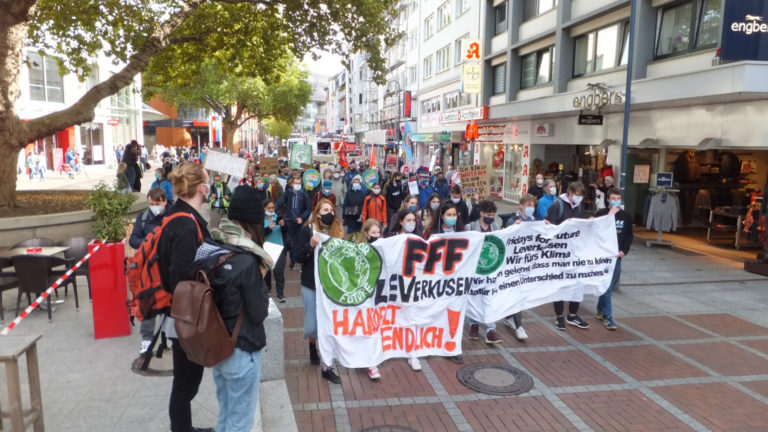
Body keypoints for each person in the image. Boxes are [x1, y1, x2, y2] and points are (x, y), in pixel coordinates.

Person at [198, 186, 271, 432]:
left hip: (217, 347)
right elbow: (259, 312)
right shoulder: (248, 261)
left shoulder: (211, 246)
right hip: (242, 349)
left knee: (226, 414)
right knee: (240, 422)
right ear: (254, 224)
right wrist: (261, 283)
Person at [158, 162, 213, 432]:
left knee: (187, 381)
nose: (210, 184)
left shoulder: (183, 217)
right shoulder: (184, 225)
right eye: (208, 180)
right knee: (185, 384)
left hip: (184, 315)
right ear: (201, 188)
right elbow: (181, 277)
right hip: (185, 317)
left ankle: (185, 428)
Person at [294, 199, 345, 384]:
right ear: (317, 213)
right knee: (313, 325)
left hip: (330, 286)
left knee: (328, 325)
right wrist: (311, 245)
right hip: (311, 284)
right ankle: (312, 346)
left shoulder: (337, 232)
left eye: (331, 209)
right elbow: (297, 256)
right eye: (325, 209)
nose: (329, 212)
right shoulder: (308, 231)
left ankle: (327, 366)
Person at [128, 187, 172, 354]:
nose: (154, 207)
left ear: (164, 201)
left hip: (166, 268)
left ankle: (169, 338)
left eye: (156, 204)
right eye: (151, 204)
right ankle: (147, 340)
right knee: (148, 304)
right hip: (148, 270)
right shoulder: (144, 218)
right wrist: (150, 245)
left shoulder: (171, 216)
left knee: (168, 304)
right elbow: (133, 240)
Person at [423, 201, 466, 364]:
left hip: (456, 283)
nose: (452, 218)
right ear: (442, 216)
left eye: (454, 215)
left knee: (454, 316)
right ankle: (431, 343)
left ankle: (452, 347)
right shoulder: (431, 232)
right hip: (436, 282)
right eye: (449, 215)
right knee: (435, 313)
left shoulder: (464, 233)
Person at [546, 181, 589, 331]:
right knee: (559, 284)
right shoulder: (557, 205)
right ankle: (559, 316)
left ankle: (572, 315)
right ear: (569, 192)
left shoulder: (579, 208)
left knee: (577, 283)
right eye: (576, 195)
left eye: (581, 195)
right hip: (559, 253)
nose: (578, 198)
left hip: (575, 251)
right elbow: (549, 228)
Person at [595, 187, 633, 330]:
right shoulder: (602, 214)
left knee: (608, 285)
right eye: (613, 199)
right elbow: (597, 229)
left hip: (617, 257)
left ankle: (600, 310)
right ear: (608, 200)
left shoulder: (626, 217)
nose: (616, 201)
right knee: (607, 286)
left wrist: (624, 250)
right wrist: (610, 215)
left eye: (618, 199)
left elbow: (629, 235)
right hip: (603, 256)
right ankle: (608, 317)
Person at [466, 200, 503, 344]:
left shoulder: (495, 226)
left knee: (489, 299)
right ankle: (473, 325)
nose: (491, 217)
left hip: (490, 270)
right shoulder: (471, 227)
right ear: (481, 213)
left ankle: (490, 329)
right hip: (475, 269)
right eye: (488, 214)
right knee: (474, 297)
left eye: (493, 215)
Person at [275, 176, 311, 270]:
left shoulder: (304, 195)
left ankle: (297, 260)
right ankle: (292, 260)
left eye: (299, 183)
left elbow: (308, 209)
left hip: (300, 223)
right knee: (290, 242)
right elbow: (279, 204)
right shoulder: (287, 194)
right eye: (296, 183)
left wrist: (302, 218)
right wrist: (272, 212)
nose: (298, 185)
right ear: (291, 184)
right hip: (289, 222)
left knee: (299, 242)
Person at [263, 199, 287, 302]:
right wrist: (268, 228)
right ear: (264, 208)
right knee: (267, 272)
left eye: (273, 208)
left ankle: (280, 294)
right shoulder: (261, 219)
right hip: (266, 248)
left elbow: (286, 232)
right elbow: (259, 233)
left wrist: (283, 225)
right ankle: (267, 291)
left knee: (279, 272)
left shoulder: (278, 217)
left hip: (279, 247)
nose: (271, 210)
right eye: (269, 208)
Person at [342, 175, 366, 241]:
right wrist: (343, 216)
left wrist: (361, 213)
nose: (356, 183)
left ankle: (358, 243)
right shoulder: (349, 192)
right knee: (350, 231)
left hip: (359, 216)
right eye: (354, 182)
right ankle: (349, 242)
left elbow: (364, 204)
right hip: (350, 215)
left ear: (360, 183)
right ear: (352, 183)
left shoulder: (362, 193)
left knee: (358, 230)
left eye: (357, 182)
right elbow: (345, 204)